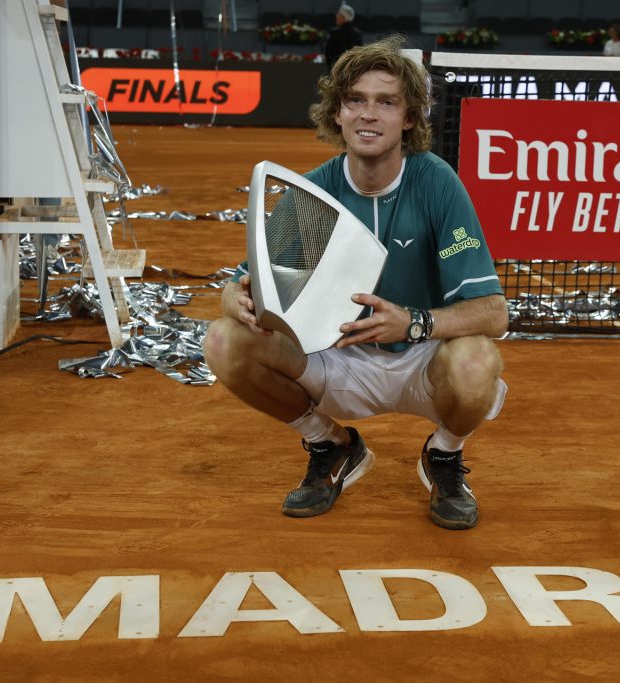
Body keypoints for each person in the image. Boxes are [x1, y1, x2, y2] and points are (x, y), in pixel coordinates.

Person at [203, 36, 508, 531]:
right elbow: (248, 283)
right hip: (332, 359)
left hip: (422, 363)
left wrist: (413, 323)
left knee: (478, 360)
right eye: (356, 100)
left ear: (408, 119)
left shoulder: (436, 182)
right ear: (338, 113)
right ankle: (332, 446)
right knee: (222, 340)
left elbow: (494, 313)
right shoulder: (314, 192)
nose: (369, 114)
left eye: (386, 102)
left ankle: (444, 457)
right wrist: (232, 295)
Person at [324, 3, 362, 71]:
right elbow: (359, 54)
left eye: (339, 14)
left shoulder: (335, 32)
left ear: (344, 17)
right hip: (351, 71)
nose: (336, 16)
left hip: (335, 69)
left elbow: (328, 53)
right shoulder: (358, 33)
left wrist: (332, 68)